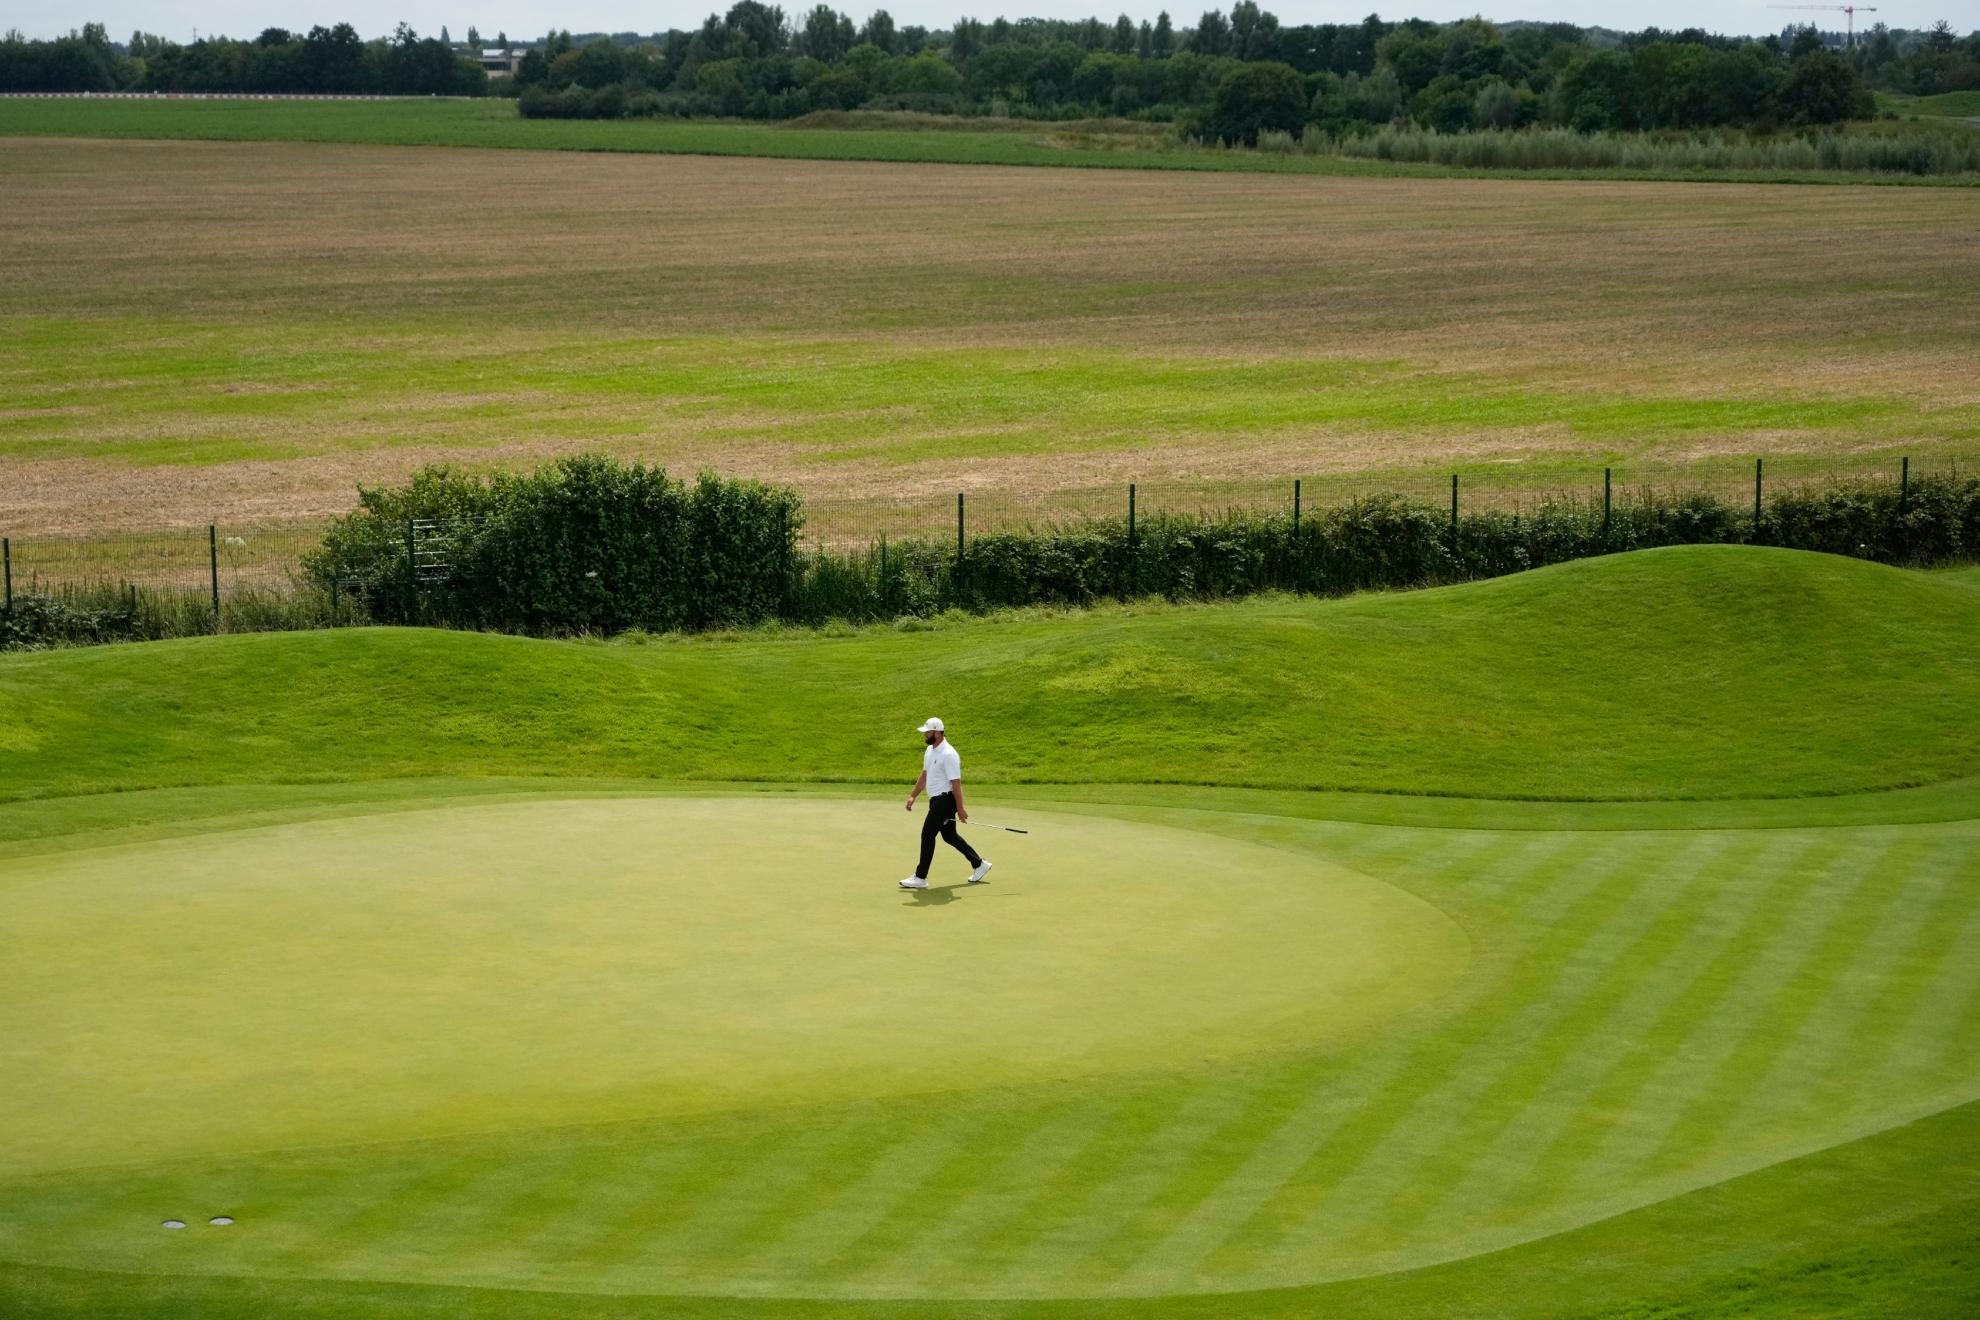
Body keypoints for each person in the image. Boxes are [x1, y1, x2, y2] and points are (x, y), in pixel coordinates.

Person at [901, 717, 991, 890]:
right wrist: (913, 796)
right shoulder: (930, 750)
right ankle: (979, 864)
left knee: (928, 834)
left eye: (927, 732)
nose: (925, 735)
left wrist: (960, 808)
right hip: (936, 800)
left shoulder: (949, 754)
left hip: (945, 800)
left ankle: (920, 877)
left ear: (937, 732)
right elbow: (925, 775)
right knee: (949, 836)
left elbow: (956, 784)